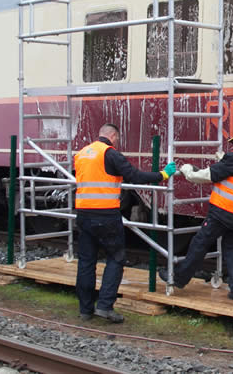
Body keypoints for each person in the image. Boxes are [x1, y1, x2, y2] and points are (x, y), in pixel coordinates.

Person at [74, 123, 176, 323]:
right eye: (118, 139)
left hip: (83, 215)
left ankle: (85, 309)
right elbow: (135, 176)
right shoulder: (110, 154)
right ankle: (104, 306)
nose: (118, 143)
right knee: (116, 258)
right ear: (112, 136)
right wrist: (163, 174)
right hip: (105, 215)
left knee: (86, 262)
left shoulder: (82, 153)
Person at [160, 125, 233, 302]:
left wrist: (188, 170)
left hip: (223, 213)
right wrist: (225, 160)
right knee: (232, 248)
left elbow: (205, 176)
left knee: (200, 243)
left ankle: (179, 279)